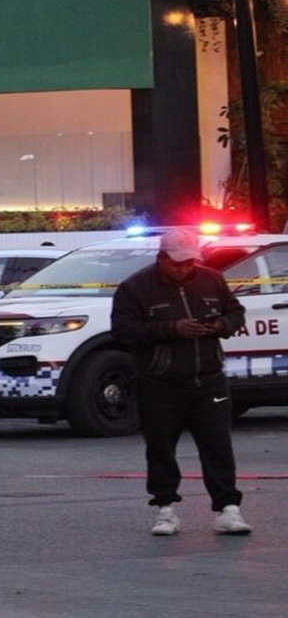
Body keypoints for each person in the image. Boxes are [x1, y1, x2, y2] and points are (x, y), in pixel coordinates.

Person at [110, 228, 251, 536]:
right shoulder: (135, 288)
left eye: (190, 262)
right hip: (160, 382)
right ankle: (165, 509)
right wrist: (172, 328)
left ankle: (228, 509)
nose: (185, 268)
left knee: (217, 446)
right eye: (178, 263)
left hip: (209, 379)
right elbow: (122, 331)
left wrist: (221, 325)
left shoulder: (212, 279)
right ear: (162, 258)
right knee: (161, 447)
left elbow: (236, 312)